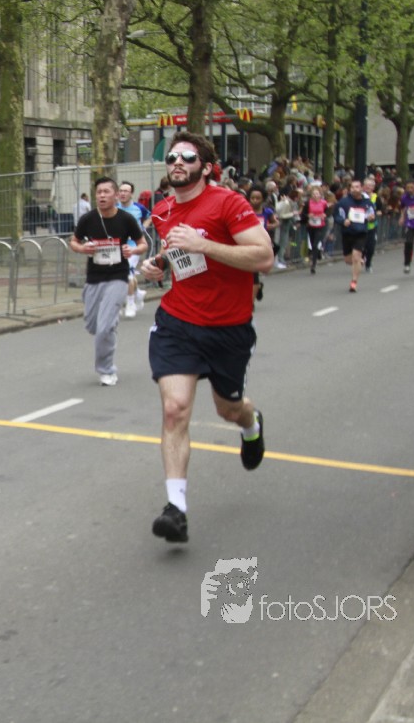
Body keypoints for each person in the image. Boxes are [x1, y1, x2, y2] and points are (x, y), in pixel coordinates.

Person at [138, 131, 273, 544]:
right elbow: (180, 256)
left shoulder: (228, 203)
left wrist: (205, 244)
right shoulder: (162, 210)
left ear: (207, 167)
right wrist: (158, 265)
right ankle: (175, 509)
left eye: (187, 157)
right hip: (178, 322)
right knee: (175, 409)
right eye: (172, 157)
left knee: (229, 409)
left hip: (228, 327)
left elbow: (264, 257)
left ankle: (251, 424)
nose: (177, 162)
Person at [68, 177, 148, 386]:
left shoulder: (126, 219)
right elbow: (74, 242)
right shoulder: (88, 219)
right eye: (99, 192)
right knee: (93, 325)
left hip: (118, 277)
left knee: (104, 329)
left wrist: (132, 250)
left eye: (106, 192)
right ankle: (108, 324)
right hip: (94, 278)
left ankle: (107, 370)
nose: (102, 196)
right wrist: (82, 248)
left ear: (116, 195)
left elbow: (143, 244)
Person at [117, 181, 150, 318]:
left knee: (127, 274)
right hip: (117, 247)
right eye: (121, 191)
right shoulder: (114, 208)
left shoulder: (138, 208)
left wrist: (143, 227)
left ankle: (130, 303)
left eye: (126, 191)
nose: (123, 193)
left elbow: (150, 216)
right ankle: (137, 293)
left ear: (131, 194)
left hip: (134, 246)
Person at [335, 179, 375, 293]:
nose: (354, 189)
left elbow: (372, 214)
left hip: (361, 233)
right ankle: (359, 261)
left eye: (357, 187)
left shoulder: (367, 202)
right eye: (352, 187)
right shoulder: (343, 202)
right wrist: (343, 221)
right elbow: (337, 216)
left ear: (361, 188)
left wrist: (371, 217)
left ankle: (354, 282)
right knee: (348, 260)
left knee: (356, 257)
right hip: (347, 233)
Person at [248, 189, 276, 303]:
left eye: (258, 198)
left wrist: (271, 226)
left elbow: (275, 222)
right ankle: (258, 287)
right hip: (247, 244)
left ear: (263, 199)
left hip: (261, 245)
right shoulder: (246, 210)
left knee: (254, 272)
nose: (255, 200)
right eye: (252, 198)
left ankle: (251, 303)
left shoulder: (267, 212)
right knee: (248, 273)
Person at [301, 184, 330, 274]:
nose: (315, 195)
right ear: (311, 195)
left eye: (317, 194)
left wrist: (325, 215)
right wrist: (308, 215)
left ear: (320, 194)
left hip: (320, 226)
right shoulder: (308, 203)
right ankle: (314, 258)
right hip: (311, 226)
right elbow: (303, 214)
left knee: (315, 244)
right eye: (314, 194)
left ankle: (313, 264)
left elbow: (328, 211)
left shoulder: (323, 203)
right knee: (312, 242)